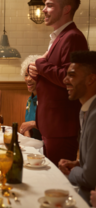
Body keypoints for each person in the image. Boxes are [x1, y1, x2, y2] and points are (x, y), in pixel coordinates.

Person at [28, 0, 89, 166]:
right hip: (52, 125)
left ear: (66, 9)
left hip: (61, 126)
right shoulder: (59, 37)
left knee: (57, 181)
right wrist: (35, 70)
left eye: (49, 5)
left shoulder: (73, 37)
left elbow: (69, 78)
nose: (44, 9)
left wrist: (40, 64)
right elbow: (53, 71)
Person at [58, 51, 96, 205]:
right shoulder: (85, 110)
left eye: (72, 75)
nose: (65, 80)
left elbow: (90, 178)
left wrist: (73, 172)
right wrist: (78, 163)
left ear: (91, 79)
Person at [20, 55, 42, 140]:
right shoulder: (30, 100)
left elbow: (52, 125)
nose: (28, 79)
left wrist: (32, 124)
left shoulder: (46, 99)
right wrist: (27, 139)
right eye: (26, 75)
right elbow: (26, 126)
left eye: (32, 75)